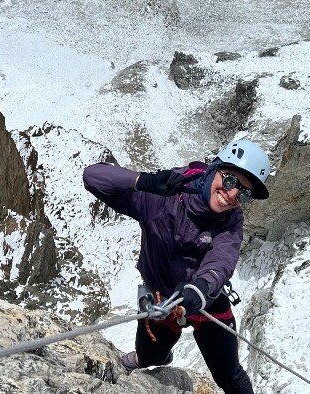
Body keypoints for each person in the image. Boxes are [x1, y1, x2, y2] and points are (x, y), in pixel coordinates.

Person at [82, 140, 271, 394]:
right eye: (230, 181)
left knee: (230, 376)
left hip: (206, 302)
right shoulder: (164, 198)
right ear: (213, 169)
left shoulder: (232, 219)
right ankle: (149, 356)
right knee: (150, 357)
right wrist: (143, 181)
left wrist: (201, 287)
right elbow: (92, 177)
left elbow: (222, 259)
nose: (233, 195)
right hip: (161, 299)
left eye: (245, 193)